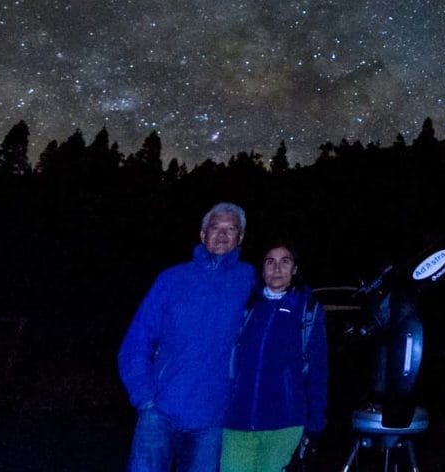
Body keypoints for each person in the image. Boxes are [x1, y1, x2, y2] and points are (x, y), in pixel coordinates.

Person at [118, 202, 256, 472]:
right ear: (203, 235)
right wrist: (143, 396)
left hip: (213, 417)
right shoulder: (171, 279)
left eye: (232, 229)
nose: (222, 234)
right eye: (215, 227)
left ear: (240, 238)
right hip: (159, 410)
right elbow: (136, 341)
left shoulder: (250, 280)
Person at [221, 241, 329, 472]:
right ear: (262, 269)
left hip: (284, 424)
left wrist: (316, 423)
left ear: (295, 269)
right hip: (237, 422)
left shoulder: (307, 310)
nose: (277, 268)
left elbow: (318, 369)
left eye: (285, 261)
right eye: (270, 262)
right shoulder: (247, 307)